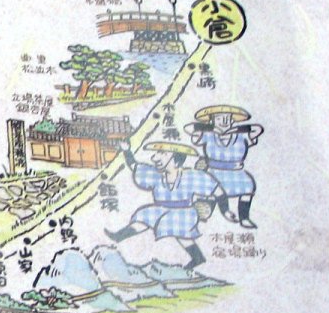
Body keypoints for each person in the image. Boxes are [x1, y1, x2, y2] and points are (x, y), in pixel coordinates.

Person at [105, 142, 220, 271]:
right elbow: (134, 166)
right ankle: (119, 236)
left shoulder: (190, 176)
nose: (155, 158)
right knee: (144, 217)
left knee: (180, 232)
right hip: (160, 209)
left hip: (183, 211)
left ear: (176, 160)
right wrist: (127, 151)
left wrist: (220, 208)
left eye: (163, 154)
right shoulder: (156, 175)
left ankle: (197, 257)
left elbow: (217, 191)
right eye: (157, 153)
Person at [185, 104, 263, 228]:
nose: (224, 121)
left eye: (228, 118)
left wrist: (236, 129)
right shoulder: (207, 135)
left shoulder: (241, 135)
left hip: (236, 172)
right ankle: (224, 211)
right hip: (214, 172)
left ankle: (244, 218)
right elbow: (189, 128)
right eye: (219, 118)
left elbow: (257, 129)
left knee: (248, 186)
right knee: (211, 191)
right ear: (212, 121)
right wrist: (211, 128)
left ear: (232, 120)